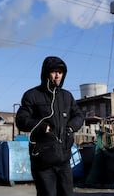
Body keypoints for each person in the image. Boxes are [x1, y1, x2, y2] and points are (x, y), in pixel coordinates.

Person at [15, 56, 84, 196]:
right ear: (46, 73)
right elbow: (21, 120)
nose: (57, 75)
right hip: (43, 161)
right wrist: (40, 126)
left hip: (64, 159)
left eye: (60, 72)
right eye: (54, 71)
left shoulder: (67, 96)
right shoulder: (32, 95)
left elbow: (79, 116)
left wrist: (70, 127)